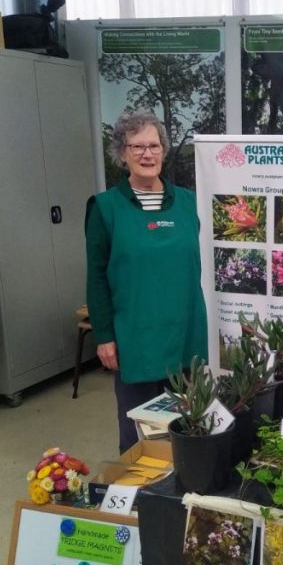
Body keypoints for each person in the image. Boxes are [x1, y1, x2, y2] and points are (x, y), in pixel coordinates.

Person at [85, 109, 207, 452]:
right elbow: (96, 277)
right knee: (138, 434)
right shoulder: (105, 208)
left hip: (184, 335)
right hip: (134, 340)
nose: (147, 154)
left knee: (187, 428)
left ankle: (185, 484)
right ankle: (139, 487)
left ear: (164, 150)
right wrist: (104, 336)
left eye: (154, 146)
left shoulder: (187, 203)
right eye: (136, 146)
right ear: (122, 153)